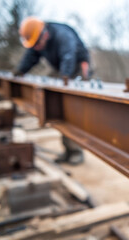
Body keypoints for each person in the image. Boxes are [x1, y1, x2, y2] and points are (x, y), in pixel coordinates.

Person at [14, 17, 89, 165]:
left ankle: (76, 152)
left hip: (76, 68)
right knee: (58, 109)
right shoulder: (38, 42)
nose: (36, 47)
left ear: (45, 35)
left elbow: (69, 57)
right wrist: (19, 71)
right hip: (61, 69)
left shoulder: (62, 35)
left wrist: (64, 81)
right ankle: (67, 150)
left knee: (70, 110)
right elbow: (30, 57)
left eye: (37, 44)